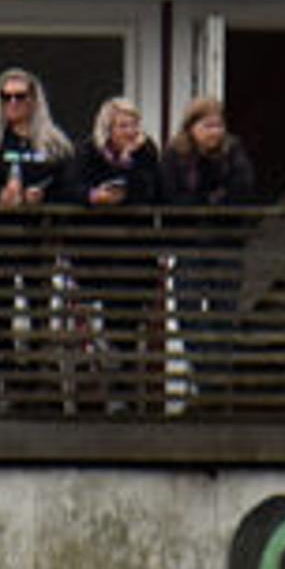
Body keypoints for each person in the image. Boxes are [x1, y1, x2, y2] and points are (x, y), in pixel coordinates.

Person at [0, 70, 77, 415]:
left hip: (39, 239)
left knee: (39, 308)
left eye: (20, 96)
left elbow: (69, 190)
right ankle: (8, 377)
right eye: (7, 97)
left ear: (34, 100)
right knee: (1, 309)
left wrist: (42, 199)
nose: (13, 103)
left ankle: (36, 375)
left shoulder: (54, 144)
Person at [162, 95, 261, 414]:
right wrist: (208, 201)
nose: (214, 132)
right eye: (207, 125)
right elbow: (172, 199)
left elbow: (242, 193)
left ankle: (217, 391)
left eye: (218, 125)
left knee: (224, 318)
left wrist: (211, 202)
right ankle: (206, 383)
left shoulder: (234, 153)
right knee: (188, 316)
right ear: (191, 127)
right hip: (188, 246)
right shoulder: (175, 155)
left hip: (226, 246)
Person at [70, 96, 166, 414]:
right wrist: (93, 196)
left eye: (133, 124)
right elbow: (72, 188)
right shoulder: (88, 151)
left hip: (135, 254)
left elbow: (153, 193)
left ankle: (123, 395)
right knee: (100, 329)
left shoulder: (147, 152)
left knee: (128, 324)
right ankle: (104, 394)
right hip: (95, 254)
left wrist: (129, 162)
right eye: (123, 125)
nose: (130, 131)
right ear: (108, 128)